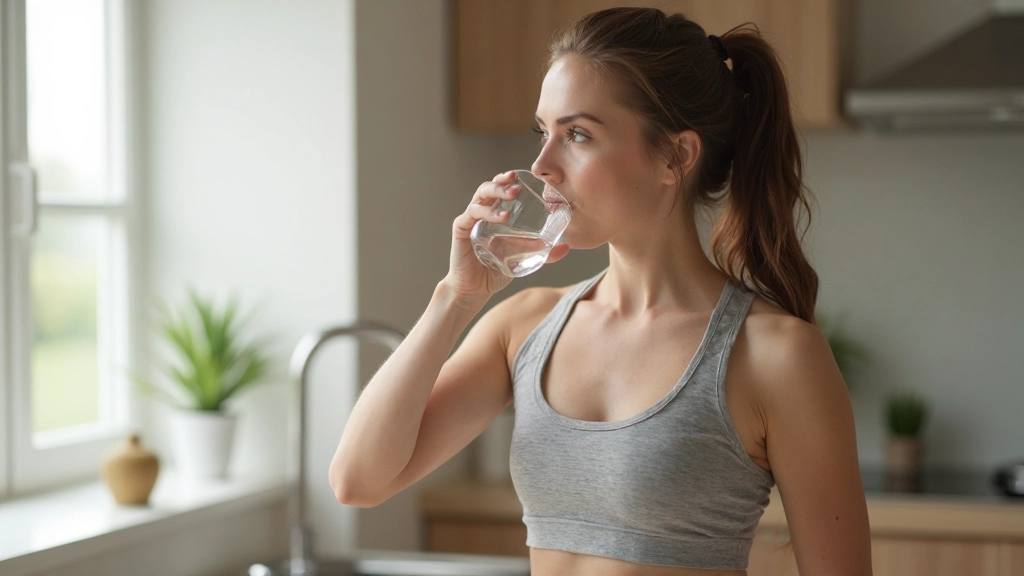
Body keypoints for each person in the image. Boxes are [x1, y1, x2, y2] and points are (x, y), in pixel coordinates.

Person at [330, 6, 871, 575]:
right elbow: (359, 480)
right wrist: (456, 297)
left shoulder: (775, 354)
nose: (543, 165)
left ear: (676, 156)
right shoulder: (525, 326)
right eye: (544, 132)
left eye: (578, 135)